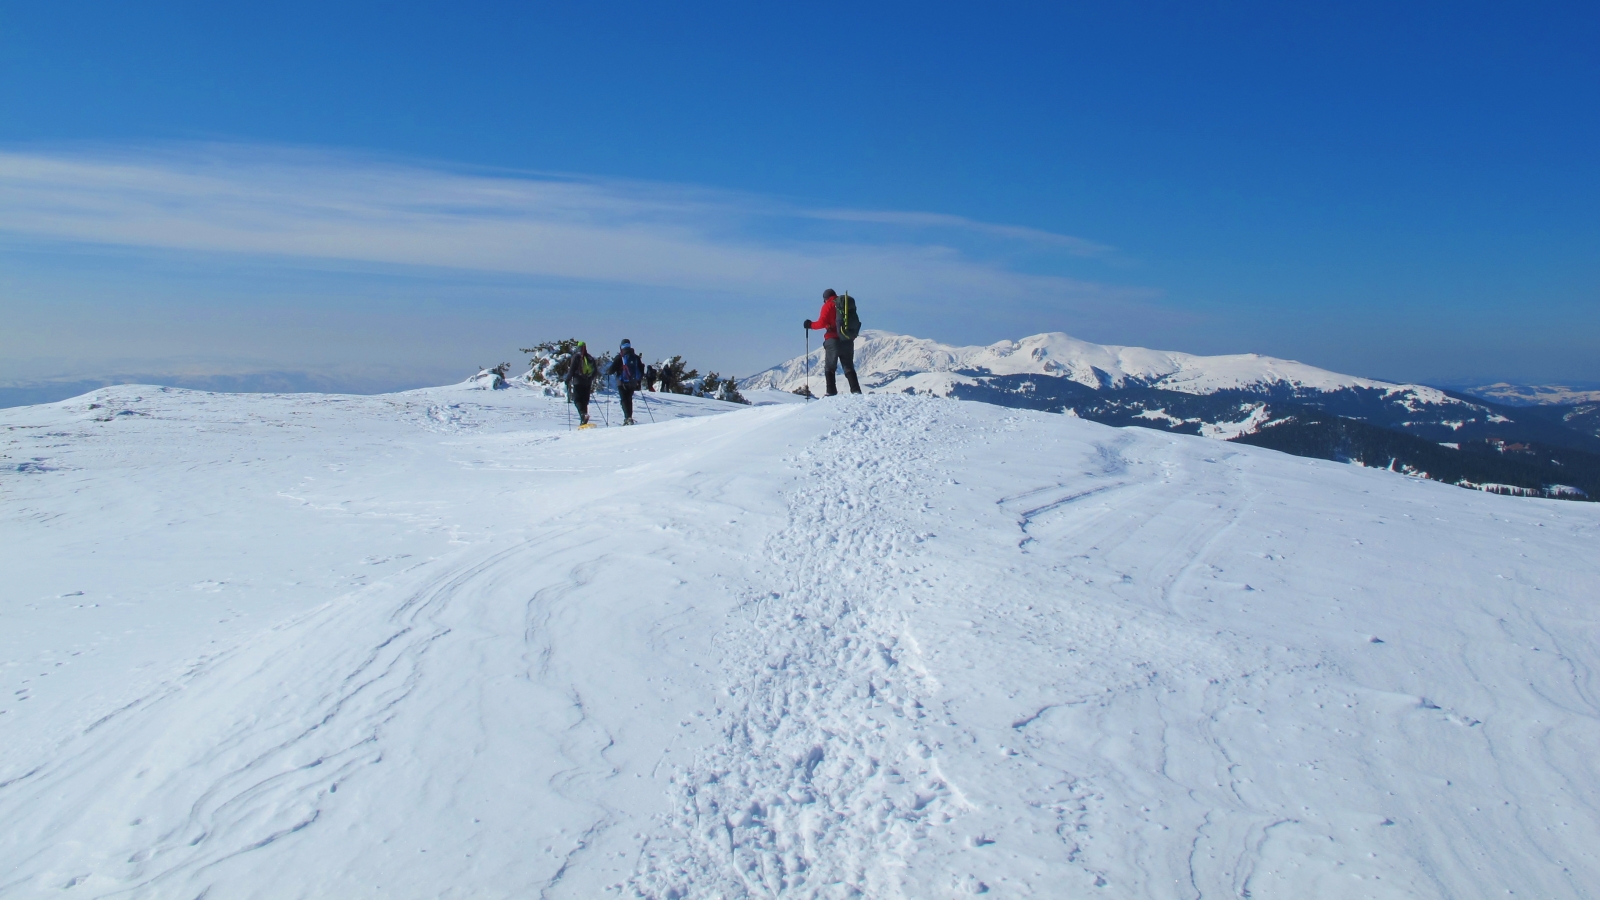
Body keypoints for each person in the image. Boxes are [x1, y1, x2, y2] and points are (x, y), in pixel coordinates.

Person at [804, 288, 861, 396]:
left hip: (833, 340)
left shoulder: (828, 305)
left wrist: (810, 325)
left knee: (830, 367)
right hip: (847, 339)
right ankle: (856, 390)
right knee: (848, 366)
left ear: (825, 298)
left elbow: (821, 323)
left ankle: (831, 391)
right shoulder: (845, 305)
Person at [607, 339, 646, 425]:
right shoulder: (635, 357)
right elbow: (641, 369)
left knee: (624, 400)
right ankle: (629, 417)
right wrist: (638, 380)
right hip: (632, 382)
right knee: (629, 399)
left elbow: (611, 370)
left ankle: (627, 418)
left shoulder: (620, 357)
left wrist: (608, 372)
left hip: (622, 382)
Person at [565, 340, 597, 425]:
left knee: (577, 400)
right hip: (588, 382)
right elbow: (595, 371)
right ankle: (584, 419)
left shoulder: (576, 357)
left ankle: (583, 415)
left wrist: (567, 380)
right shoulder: (590, 357)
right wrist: (589, 379)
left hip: (578, 382)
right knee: (584, 401)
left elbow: (572, 370)